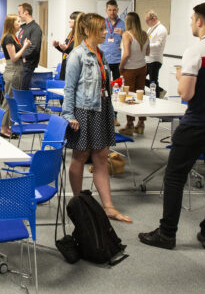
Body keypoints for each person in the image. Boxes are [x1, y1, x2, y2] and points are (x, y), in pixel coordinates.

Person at [139, 2, 205, 251]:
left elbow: (187, 93)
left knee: (174, 176)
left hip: (198, 122)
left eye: (192, 18)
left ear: (199, 22)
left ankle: (167, 233)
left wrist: (180, 78)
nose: (191, 22)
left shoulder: (195, 52)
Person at [62, 12, 132, 223]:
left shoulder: (100, 54)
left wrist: (110, 113)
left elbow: (105, 88)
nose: (105, 32)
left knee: (101, 157)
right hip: (83, 111)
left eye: (104, 29)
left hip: (101, 109)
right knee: (80, 157)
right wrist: (69, 114)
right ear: (86, 30)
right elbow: (69, 88)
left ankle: (108, 207)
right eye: (101, 29)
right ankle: (78, 203)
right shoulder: (78, 55)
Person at [0, 14, 31, 138]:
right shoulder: (8, 38)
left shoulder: (13, 37)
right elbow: (13, 58)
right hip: (13, 71)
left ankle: (7, 126)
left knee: (11, 100)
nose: (20, 23)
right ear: (11, 24)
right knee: (8, 101)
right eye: (17, 21)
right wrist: (25, 47)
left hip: (17, 70)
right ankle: (3, 128)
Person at [119, 12, 150, 136]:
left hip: (130, 69)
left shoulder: (127, 34)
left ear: (129, 22)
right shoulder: (144, 34)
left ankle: (130, 125)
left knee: (129, 97)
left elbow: (126, 54)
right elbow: (148, 52)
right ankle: (141, 123)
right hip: (142, 67)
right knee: (140, 96)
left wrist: (121, 66)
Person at [17, 2, 42, 90]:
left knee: (23, 90)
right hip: (21, 63)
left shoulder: (35, 28)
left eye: (19, 12)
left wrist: (20, 55)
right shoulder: (24, 27)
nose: (18, 15)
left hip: (28, 64)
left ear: (26, 12)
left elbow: (34, 48)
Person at [100, 0, 125, 80]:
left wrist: (123, 34)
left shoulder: (123, 24)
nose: (112, 12)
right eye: (110, 10)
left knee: (117, 83)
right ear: (106, 10)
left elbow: (129, 41)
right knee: (104, 82)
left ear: (117, 10)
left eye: (114, 10)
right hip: (105, 58)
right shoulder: (102, 23)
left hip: (117, 59)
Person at [145, 10, 168, 97]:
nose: (146, 23)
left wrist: (147, 46)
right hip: (148, 58)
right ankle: (160, 91)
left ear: (154, 19)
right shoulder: (150, 28)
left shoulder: (161, 29)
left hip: (155, 59)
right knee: (141, 78)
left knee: (153, 81)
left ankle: (156, 97)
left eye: (147, 20)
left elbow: (159, 45)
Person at [53, 11, 81, 80]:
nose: (69, 21)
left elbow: (77, 52)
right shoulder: (71, 33)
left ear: (77, 21)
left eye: (72, 19)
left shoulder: (80, 36)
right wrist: (57, 46)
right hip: (65, 65)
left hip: (73, 68)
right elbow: (66, 50)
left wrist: (66, 49)